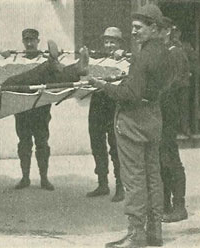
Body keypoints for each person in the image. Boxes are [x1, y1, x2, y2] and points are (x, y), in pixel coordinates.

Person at [91, 4, 171, 247]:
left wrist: (102, 84)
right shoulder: (165, 53)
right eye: (133, 28)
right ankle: (155, 232)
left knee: (134, 179)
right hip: (153, 116)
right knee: (153, 176)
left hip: (133, 121)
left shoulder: (142, 56)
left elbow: (130, 94)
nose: (133, 32)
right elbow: (160, 84)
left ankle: (136, 235)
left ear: (153, 28)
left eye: (138, 28)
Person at [2, 30, 89, 190]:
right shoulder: (16, 58)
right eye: (26, 40)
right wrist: (3, 56)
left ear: (38, 41)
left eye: (32, 40)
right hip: (22, 106)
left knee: (42, 142)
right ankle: (25, 178)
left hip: (40, 106)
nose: (29, 44)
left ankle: (44, 179)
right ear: (22, 41)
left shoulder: (42, 56)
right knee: (24, 143)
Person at [86, 27, 124, 202]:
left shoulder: (125, 59)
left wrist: (122, 56)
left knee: (116, 147)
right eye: (106, 41)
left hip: (114, 106)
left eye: (112, 42)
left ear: (119, 43)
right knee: (97, 144)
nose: (109, 45)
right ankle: (102, 183)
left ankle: (121, 186)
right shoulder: (98, 60)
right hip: (97, 105)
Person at [159, 17, 189, 223]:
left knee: (170, 158)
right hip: (160, 111)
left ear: (168, 31)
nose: (157, 33)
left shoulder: (175, 52)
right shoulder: (162, 51)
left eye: (160, 30)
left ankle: (179, 206)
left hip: (169, 111)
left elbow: (175, 83)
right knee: (161, 158)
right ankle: (165, 204)